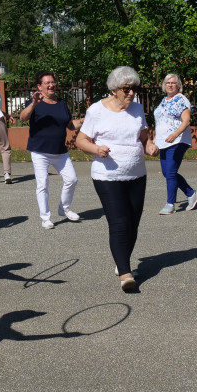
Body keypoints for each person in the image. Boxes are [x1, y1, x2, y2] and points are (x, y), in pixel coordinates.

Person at [76, 66, 158, 291]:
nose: (131, 93)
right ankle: (125, 273)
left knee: (133, 223)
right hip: (107, 177)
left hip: (136, 175)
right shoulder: (97, 111)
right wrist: (95, 149)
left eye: (134, 89)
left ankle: (122, 261)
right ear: (114, 89)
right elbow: (80, 140)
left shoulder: (137, 109)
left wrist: (150, 146)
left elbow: (143, 137)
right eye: (126, 89)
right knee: (119, 223)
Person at [19, 70, 80, 230]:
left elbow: (70, 125)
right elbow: (23, 118)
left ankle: (64, 208)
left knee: (72, 179)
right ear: (39, 86)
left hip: (60, 151)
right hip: (40, 151)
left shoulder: (61, 104)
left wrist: (87, 120)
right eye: (47, 83)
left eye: (53, 82)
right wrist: (34, 104)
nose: (52, 85)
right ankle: (45, 218)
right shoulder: (33, 103)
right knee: (43, 184)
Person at [153, 73, 197, 214]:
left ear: (178, 85)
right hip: (164, 142)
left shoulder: (181, 99)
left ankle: (170, 204)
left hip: (177, 141)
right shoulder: (164, 100)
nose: (170, 85)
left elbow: (186, 120)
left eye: (173, 82)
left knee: (171, 173)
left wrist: (175, 134)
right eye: (167, 82)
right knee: (167, 173)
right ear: (164, 85)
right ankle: (192, 194)